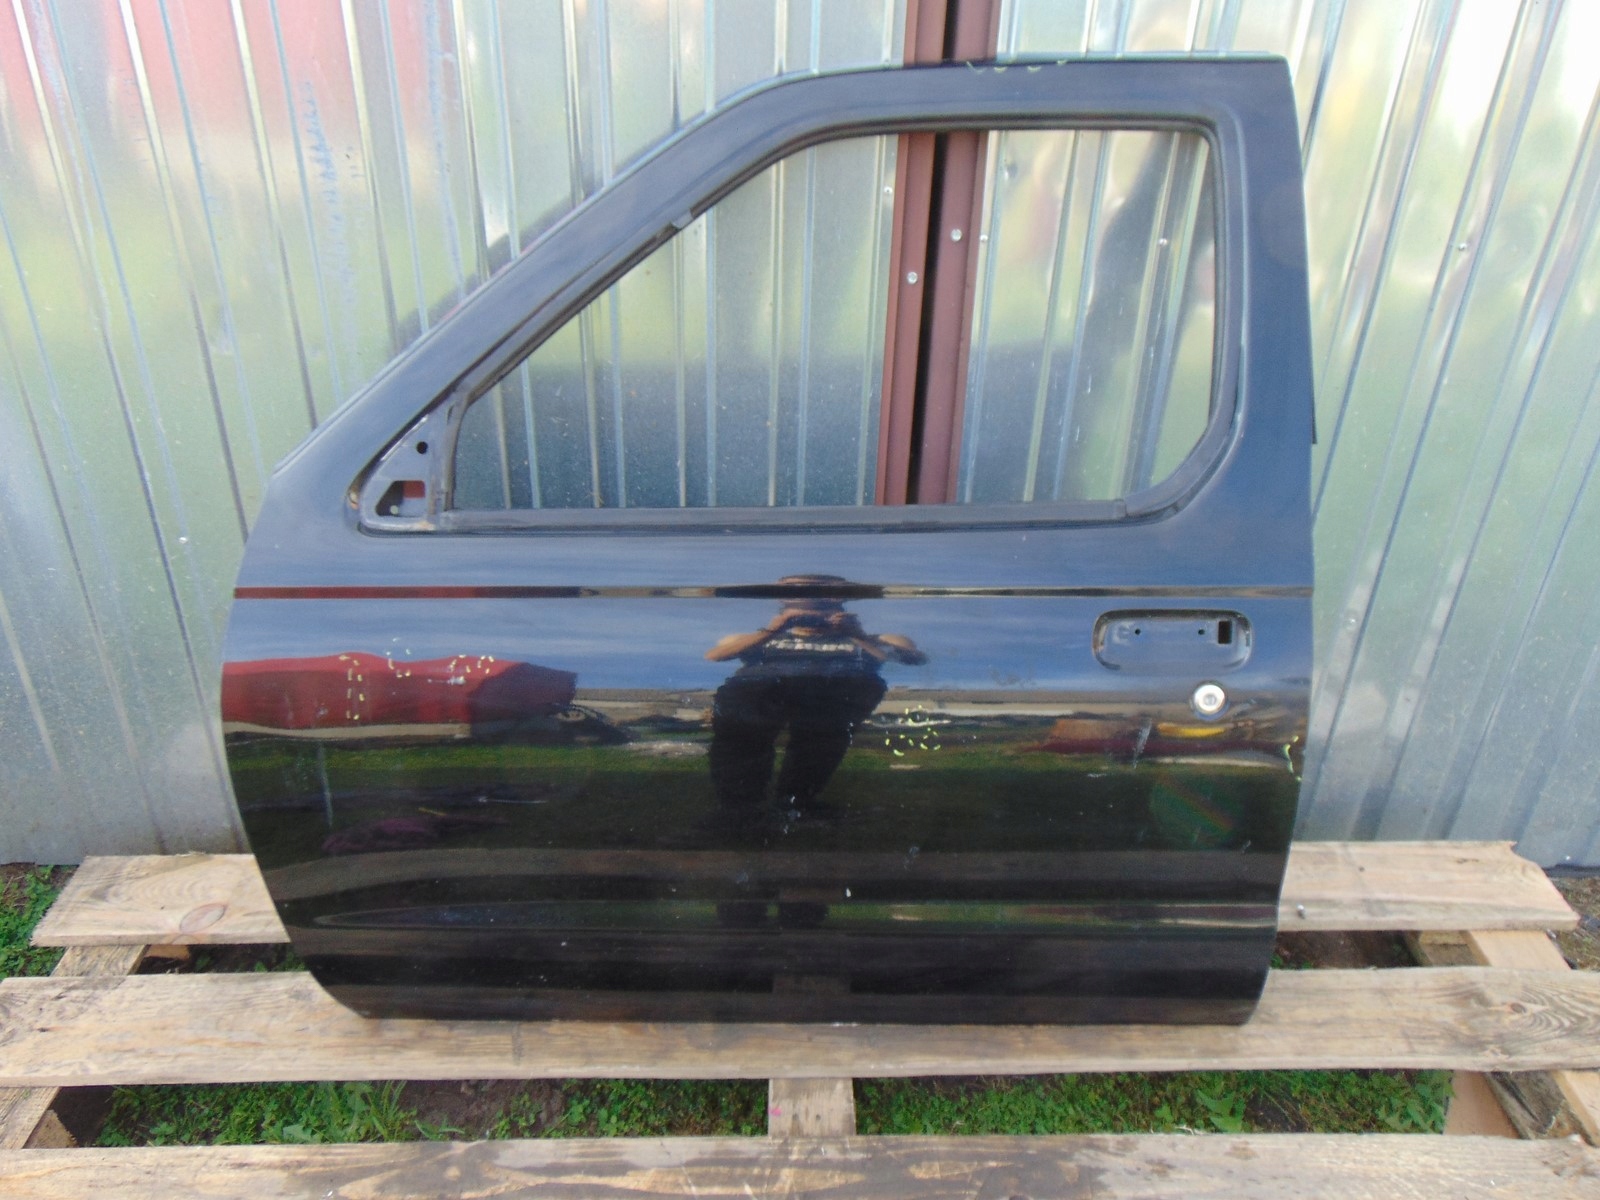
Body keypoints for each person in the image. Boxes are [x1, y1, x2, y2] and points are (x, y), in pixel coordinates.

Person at [704, 576, 925, 840]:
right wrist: (773, 630)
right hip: (761, 698)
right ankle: (740, 810)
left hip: (830, 700)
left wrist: (857, 635)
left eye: (822, 604)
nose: (813, 616)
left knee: (820, 742)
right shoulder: (759, 638)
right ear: (782, 603)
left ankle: (796, 803)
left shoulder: (876, 639)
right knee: (742, 737)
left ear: (841, 601)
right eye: (796, 600)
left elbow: (910, 659)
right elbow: (716, 655)